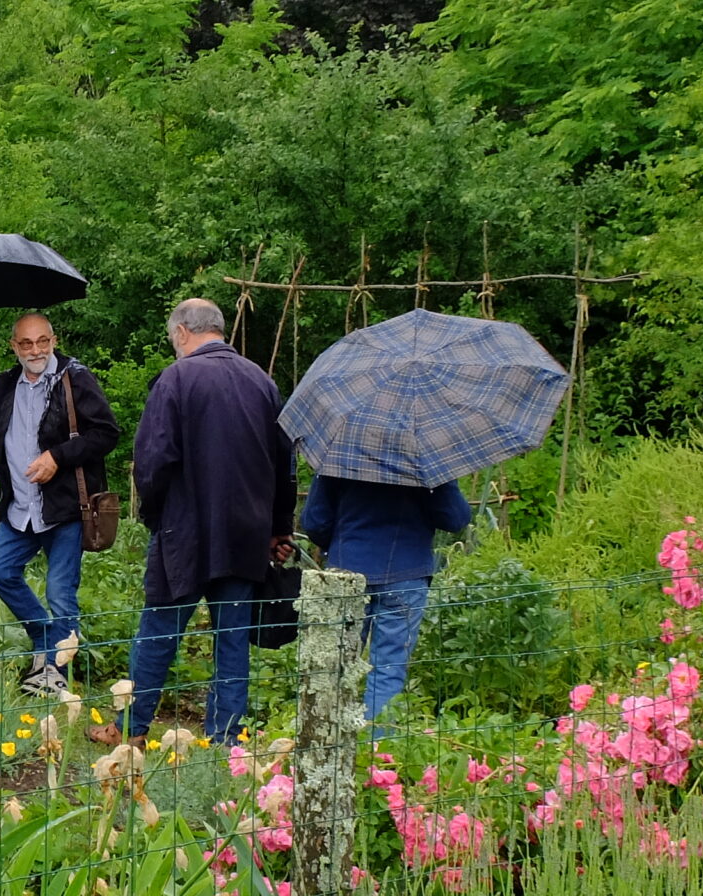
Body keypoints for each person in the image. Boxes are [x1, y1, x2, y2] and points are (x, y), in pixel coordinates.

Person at [119, 297, 293, 747]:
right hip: (244, 534)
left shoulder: (175, 379)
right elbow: (283, 464)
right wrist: (279, 527)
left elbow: (152, 461)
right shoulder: (262, 382)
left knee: (160, 627)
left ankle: (132, 728)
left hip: (185, 532)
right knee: (233, 639)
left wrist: (153, 516)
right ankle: (225, 738)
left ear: (181, 333)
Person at [0, 311, 120, 695]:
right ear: (14, 347)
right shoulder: (7, 383)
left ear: (54, 340)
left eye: (43, 341)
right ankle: (47, 639)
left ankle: (55, 671)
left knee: (61, 591)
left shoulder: (75, 379)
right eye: (26, 343)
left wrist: (57, 457)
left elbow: (107, 433)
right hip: (20, 506)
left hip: (64, 508)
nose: (36, 350)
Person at [299, 472, 474, 722]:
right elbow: (455, 518)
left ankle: (326, 743)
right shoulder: (427, 454)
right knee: (388, 670)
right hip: (406, 570)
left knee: (333, 666)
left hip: (346, 571)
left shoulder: (340, 452)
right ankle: (378, 750)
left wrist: (340, 543)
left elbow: (315, 521)